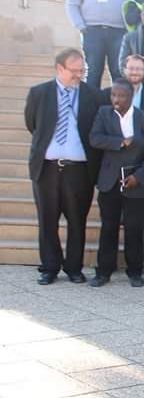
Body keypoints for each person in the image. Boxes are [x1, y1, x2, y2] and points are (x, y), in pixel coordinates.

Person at [25, 49, 107, 284]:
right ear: (59, 68)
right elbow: (32, 125)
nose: (79, 75)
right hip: (47, 168)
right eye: (74, 71)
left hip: (79, 170)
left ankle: (74, 267)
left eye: (82, 70)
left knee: (77, 220)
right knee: (47, 220)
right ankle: (50, 267)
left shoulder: (93, 95)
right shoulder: (39, 93)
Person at [86, 79, 144, 288]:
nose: (116, 99)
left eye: (121, 95)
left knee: (134, 229)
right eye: (113, 95)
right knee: (108, 228)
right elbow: (94, 138)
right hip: (109, 181)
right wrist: (120, 142)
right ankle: (103, 272)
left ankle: (135, 272)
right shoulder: (104, 113)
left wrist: (139, 177)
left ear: (131, 97)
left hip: (136, 182)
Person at [64, 0, 139, 89]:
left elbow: (136, 4)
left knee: (119, 72)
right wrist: (81, 27)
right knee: (93, 73)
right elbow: (71, 4)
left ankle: (119, 103)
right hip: (92, 32)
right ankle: (91, 103)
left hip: (119, 33)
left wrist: (131, 29)